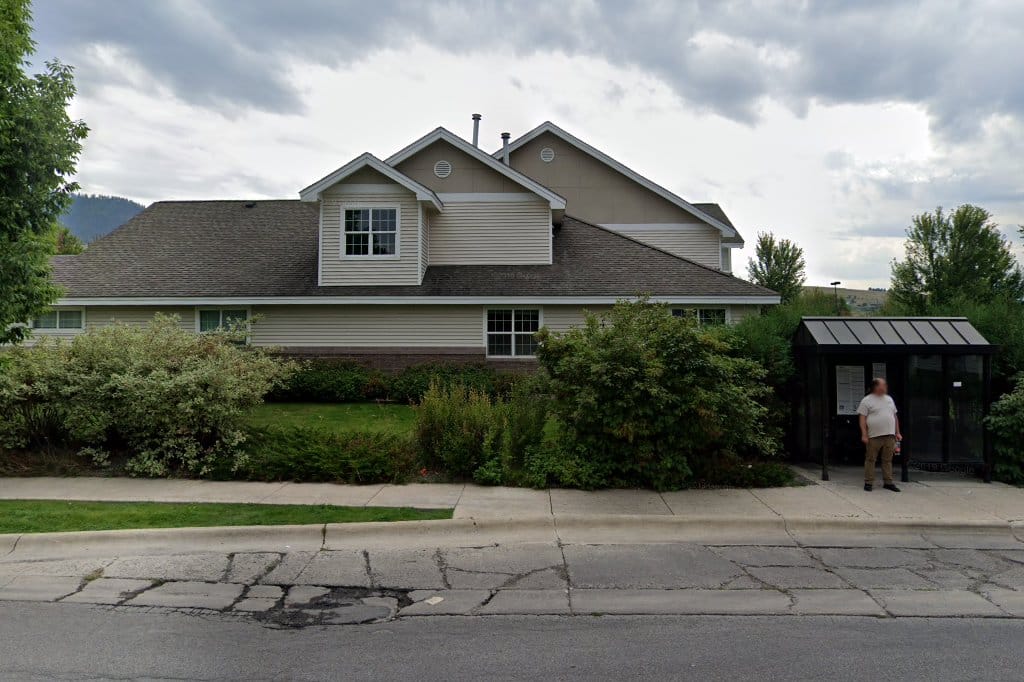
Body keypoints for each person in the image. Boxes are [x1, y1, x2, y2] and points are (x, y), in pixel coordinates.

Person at [856, 378, 902, 492]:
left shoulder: (889, 399)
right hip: (874, 436)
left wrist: (897, 432)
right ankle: (868, 482)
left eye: (885, 385)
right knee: (871, 459)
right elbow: (862, 418)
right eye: (882, 385)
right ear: (876, 387)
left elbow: (894, 416)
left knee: (887, 460)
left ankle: (888, 482)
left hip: (889, 435)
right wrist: (864, 434)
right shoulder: (867, 400)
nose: (885, 387)